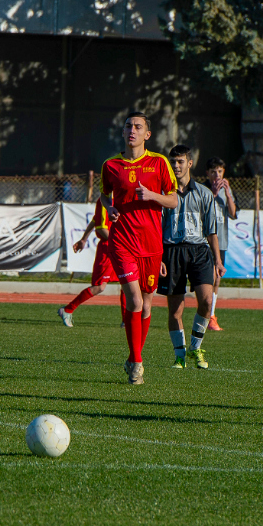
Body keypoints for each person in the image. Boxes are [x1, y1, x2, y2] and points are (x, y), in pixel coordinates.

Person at [100, 111, 179, 385]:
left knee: (146, 304)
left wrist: (152, 195)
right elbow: (104, 194)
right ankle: (136, 363)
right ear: (123, 132)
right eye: (128, 126)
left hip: (152, 244)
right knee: (134, 301)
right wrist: (109, 208)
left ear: (147, 134)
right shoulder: (111, 165)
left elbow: (174, 200)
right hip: (122, 241)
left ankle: (134, 356)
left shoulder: (159, 163)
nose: (132, 130)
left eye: (137, 126)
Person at [158, 144, 224, 370]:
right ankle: (179, 356)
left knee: (206, 301)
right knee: (175, 310)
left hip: (199, 251)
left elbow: (211, 231)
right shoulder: (164, 194)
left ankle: (195, 347)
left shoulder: (204, 193)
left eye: (180, 162)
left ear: (189, 163)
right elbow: (157, 229)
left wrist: (218, 260)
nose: (176, 166)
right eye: (173, 162)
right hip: (172, 252)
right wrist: (159, 257)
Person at [57, 199, 128, 328]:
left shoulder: (120, 196)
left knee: (127, 281)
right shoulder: (106, 199)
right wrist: (121, 243)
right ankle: (67, 309)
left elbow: (95, 220)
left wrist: (84, 239)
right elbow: (101, 229)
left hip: (120, 247)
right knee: (99, 286)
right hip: (109, 248)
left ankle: (126, 320)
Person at [206, 156, 237, 331]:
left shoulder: (227, 190)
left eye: (219, 171)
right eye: (213, 172)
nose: (217, 175)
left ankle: (211, 315)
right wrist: (213, 193)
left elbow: (232, 213)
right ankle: (206, 314)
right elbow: (202, 210)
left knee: (217, 279)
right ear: (208, 173)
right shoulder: (204, 189)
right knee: (209, 279)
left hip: (222, 241)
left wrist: (228, 194)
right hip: (206, 241)